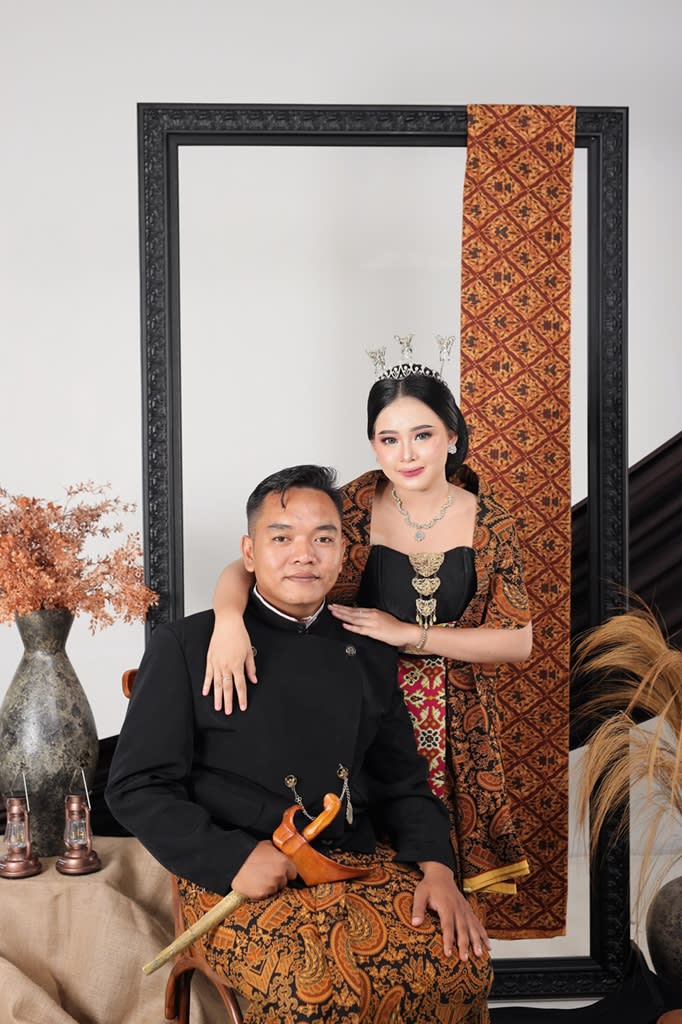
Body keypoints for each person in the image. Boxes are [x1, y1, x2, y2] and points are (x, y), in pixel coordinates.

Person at [106, 465, 492, 1024]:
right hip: (244, 871)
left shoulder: (369, 646)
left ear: (342, 553)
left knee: (462, 963)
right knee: (315, 993)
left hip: (355, 859)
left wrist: (437, 869)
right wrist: (232, 858)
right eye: (282, 537)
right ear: (250, 551)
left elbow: (403, 782)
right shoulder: (188, 644)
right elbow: (136, 785)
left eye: (323, 539)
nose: (304, 555)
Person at [205, 364, 533, 901]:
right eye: (389, 439)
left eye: (422, 435)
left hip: (454, 709)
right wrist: (227, 622)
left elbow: (517, 640)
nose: (406, 455)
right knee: (359, 840)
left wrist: (407, 634)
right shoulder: (354, 503)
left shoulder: (490, 522)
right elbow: (254, 561)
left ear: (452, 436)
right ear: (373, 444)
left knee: (442, 852)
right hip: (352, 691)